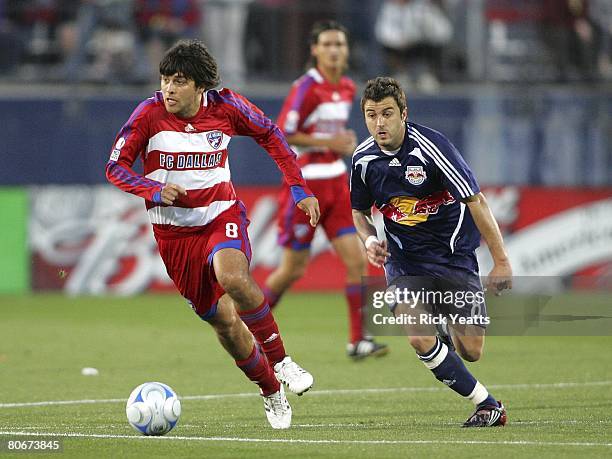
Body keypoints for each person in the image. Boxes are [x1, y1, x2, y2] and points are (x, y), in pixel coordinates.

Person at [106, 40, 320, 430]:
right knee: (224, 324)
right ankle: (271, 390)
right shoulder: (148, 115)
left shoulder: (226, 106)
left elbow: (271, 134)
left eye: (179, 81)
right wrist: (151, 189)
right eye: (165, 79)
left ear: (200, 86)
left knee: (234, 277)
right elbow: (115, 167)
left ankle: (283, 360)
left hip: (221, 216)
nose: (169, 89)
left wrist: (298, 187)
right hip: (174, 237)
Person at [351, 77, 512, 427]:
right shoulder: (363, 160)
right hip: (404, 262)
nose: (379, 123)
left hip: (453, 257)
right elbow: (359, 213)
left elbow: (477, 201)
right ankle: (487, 404)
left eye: (387, 114)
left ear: (404, 114)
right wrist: (368, 241)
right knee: (417, 334)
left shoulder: (432, 148)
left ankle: (442, 330)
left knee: (472, 351)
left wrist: (501, 261)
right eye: (371, 115)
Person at [262, 20, 389, 360]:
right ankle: (250, 323)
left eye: (340, 45)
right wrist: (328, 141)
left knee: (357, 260)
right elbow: (282, 132)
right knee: (293, 270)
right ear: (315, 50)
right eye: (328, 45)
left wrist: (341, 143)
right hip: (306, 185)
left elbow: (329, 133)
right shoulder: (306, 87)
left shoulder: (347, 87)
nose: (335, 50)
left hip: (336, 181)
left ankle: (357, 340)